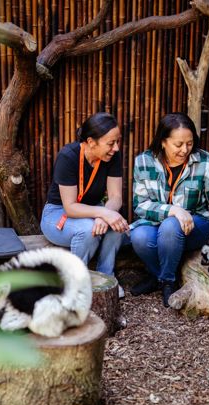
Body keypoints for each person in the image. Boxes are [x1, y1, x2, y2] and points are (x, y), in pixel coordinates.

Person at [130, 112, 209, 307]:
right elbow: (141, 205)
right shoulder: (144, 161)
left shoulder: (206, 162)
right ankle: (159, 276)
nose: (185, 149)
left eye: (189, 143)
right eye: (178, 145)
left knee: (171, 226)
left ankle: (168, 281)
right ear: (163, 141)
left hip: (195, 226)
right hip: (155, 224)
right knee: (139, 237)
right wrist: (173, 210)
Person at [40, 112, 129, 297]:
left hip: (93, 212)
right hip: (58, 213)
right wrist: (103, 214)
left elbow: (116, 197)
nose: (116, 148)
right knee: (89, 229)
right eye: (111, 143)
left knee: (117, 226)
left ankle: (106, 278)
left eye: (117, 142)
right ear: (91, 142)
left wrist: (106, 214)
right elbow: (70, 207)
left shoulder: (113, 156)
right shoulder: (68, 156)